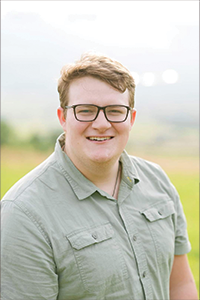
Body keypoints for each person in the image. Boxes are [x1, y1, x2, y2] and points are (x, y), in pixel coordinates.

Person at [1, 53, 198, 300]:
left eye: (115, 111)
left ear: (131, 119)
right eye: (86, 111)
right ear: (63, 118)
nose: (102, 123)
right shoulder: (23, 214)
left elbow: (179, 285)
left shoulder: (157, 181)